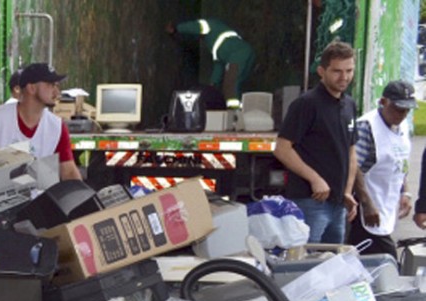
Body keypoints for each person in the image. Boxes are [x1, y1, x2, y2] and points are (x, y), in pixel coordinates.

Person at [273, 41, 359, 244]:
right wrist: (314, 179)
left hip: (338, 204)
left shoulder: (349, 105)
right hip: (310, 201)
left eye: (349, 71)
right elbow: (282, 149)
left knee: (333, 259)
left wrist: (347, 191)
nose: (344, 77)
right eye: (337, 71)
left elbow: (351, 152)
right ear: (322, 71)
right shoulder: (306, 104)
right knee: (306, 257)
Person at [0, 62, 81, 182]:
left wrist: (83, 195)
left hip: (39, 197)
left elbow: (69, 172)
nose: (57, 92)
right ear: (31, 88)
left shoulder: (57, 127)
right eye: (50, 85)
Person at [348, 80, 416, 259]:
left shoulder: (402, 125)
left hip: (386, 203)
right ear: (383, 102)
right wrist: (367, 203)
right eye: (398, 109)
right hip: (366, 205)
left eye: (407, 110)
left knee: (368, 261)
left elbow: (400, 161)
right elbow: (354, 167)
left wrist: (405, 191)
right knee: (387, 260)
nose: (402, 115)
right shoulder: (367, 126)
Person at [167, 18, 255, 107]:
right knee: (237, 83)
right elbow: (219, 65)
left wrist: (177, 28)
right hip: (246, 53)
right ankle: (240, 108)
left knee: (230, 84)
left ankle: (233, 111)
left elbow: (194, 27)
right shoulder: (216, 44)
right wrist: (213, 84)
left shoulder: (209, 25)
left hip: (238, 54)